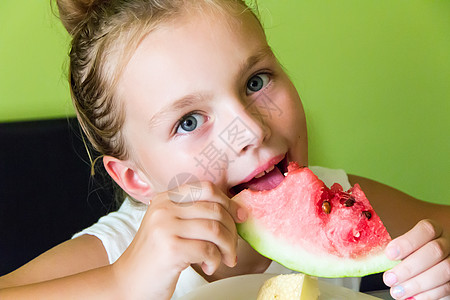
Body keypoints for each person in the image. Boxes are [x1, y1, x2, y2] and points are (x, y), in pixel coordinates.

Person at [1, 0, 449, 299]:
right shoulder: (118, 253)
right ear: (135, 180)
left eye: (256, 81)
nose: (250, 130)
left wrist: (440, 265)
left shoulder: (337, 200)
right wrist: (122, 282)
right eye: (189, 122)